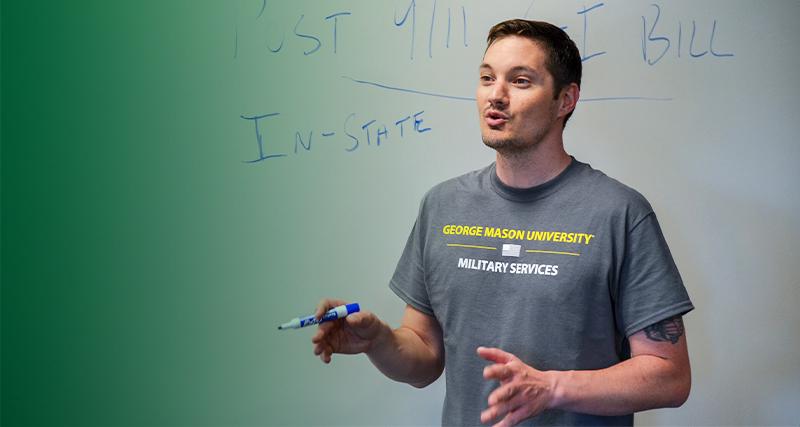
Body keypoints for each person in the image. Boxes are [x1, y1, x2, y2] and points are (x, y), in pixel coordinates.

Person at [311, 19, 693, 426]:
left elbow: (670, 377)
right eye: (487, 78)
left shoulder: (620, 213)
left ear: (565, 100)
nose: (496, 94)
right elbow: (424, 359)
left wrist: (553, 388)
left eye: (520, 81)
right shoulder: (442, 206)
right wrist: (379, 341)